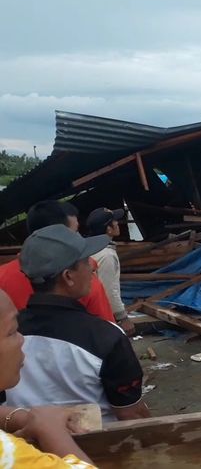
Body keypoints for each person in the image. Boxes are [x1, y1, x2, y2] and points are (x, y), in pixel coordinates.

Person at [5, 225, 150, 422]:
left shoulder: (8, 332)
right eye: (85, 262)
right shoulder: (105, 337)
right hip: (96, 447)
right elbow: (131, 414)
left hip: (22, 443)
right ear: (68, 276)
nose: (92, 267)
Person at [0, 288, 96, 467]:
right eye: (12, 331)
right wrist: (51, 432)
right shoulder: (9, 453)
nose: (21, 339)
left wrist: (21, 416)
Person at [0, 200, 115, 323]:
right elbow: (107, 330)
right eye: (75, 232)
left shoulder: (3, 275)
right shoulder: (81, 279)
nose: (79, 238)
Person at [86, 208, 134, 335]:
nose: (118, 223)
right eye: (115, 221)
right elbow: (109, 289)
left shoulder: (88, 248)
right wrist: (122, 317)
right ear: (108, 229)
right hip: (100, 315)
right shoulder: (107, 255)